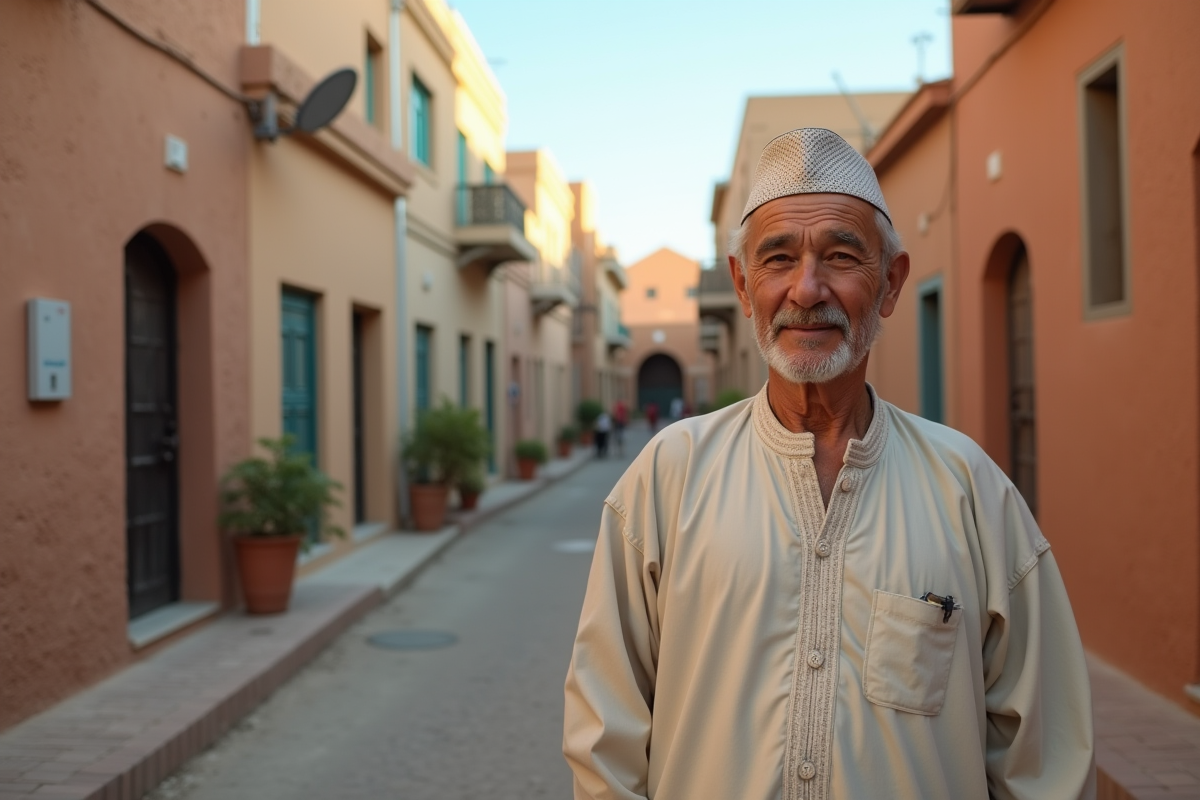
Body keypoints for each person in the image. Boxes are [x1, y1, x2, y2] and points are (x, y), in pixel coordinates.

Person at [563, 129, 1095, 800]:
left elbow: (1043, 761)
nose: (807, 289)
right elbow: (604, 734)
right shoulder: (668, 476)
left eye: (842, 257)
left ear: (891, 283)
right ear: (743, 284)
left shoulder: (972, 493)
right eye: (778, 258)